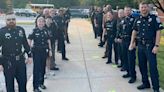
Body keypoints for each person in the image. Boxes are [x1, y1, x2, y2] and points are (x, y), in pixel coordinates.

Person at [129, 2, 163, 92]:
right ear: (139, 9)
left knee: (152, 68)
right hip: (140, 46)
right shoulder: (138, 19)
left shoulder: (154, 18)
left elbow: (158, 31)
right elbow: (134, 31)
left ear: (148, 8)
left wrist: (156, 45)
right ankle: (145, 83)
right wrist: (132, 43)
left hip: (150, 46)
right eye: (142, 7)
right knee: (142, 66)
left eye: (145, 7)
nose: (143, 9)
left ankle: (156, 88)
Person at [0, 13, 32, 92]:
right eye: (9, 19)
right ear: (5, 21)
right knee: (10, 85)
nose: (11, 21)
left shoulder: (20, 29)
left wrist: (30, 56)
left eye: (13, 19)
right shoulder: (2, 32)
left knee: (23, 83)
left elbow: (25, 44)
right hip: (8, 62)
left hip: (20, 60)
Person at [28, 17, 52, 92]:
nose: (41, 23)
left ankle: (41, 83)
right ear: (37, 23)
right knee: (36, 69)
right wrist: (29, 49)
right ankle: (35, 87)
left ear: (44, 23)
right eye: (39, 21)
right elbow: (29, 40)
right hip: (36, 52)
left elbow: (48, 40)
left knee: (42, 68)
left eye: (42, 21)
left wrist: (50, 50)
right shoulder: (34, 31)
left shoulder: (46, 31)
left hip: (44, 51)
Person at [120, 6, 136, 84]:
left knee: (131, 59)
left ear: (131, 11)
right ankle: (128, 72)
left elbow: (136, 31)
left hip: (130, 42)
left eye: (128, 10)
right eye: (126, 10)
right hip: (124, 41)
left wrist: (133, 42)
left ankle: (133, 76)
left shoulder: (134, 19)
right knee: (125, 57)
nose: (127, 12)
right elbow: (121, 30)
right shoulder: (123, 20)